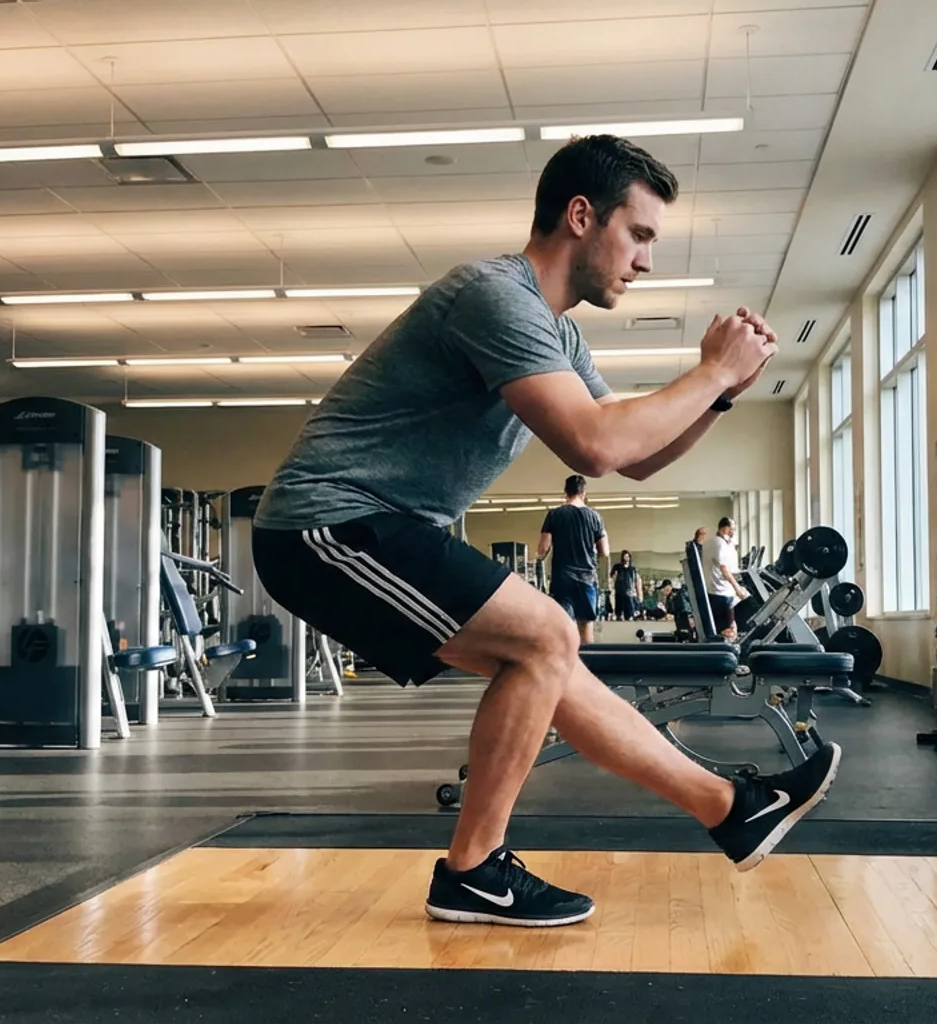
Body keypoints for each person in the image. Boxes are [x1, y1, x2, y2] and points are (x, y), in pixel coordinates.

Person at [250, 133, 839, 930]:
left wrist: (723, 393)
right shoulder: (494, 295)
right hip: (328, 524)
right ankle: (472, 873)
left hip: (380, 525)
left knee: (550, 657)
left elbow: (635, 460)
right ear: (580, 215)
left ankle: (732, 808)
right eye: (640, 234)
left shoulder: (556, 332)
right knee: (547, 635)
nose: (646, 261)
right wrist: (711, 374)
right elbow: (592, 442)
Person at [537, 475, 608, 643]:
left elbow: (543, 549)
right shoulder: (595, 517)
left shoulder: (554, 515)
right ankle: (588, 664)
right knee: (585, 624)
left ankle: (566, 667)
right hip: (587, 579)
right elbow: (604, 551)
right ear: (584, 492)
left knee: (564, 624)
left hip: (563, 578)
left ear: (565, 492)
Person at [705, 516, 750, 640]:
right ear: (724, 528)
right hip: (722, 593)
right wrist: (738, 589)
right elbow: (724, 569)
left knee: (720, 630)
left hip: (714, 591)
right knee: (729, 631)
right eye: (732, 529)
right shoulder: (720, 544)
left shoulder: (711, 542)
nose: (733, 532)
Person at [610, 550, 642, 621]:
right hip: (619, 589)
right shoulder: (617, 566)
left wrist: (637, 592)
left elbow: (635, 580)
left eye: (628, 556)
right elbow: (612, 576)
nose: (626, 558)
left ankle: (629, 616)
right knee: (619, 605)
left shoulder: (632, 569)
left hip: (629, 590)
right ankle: (619, 615)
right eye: (625, 556)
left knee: (629, 606)